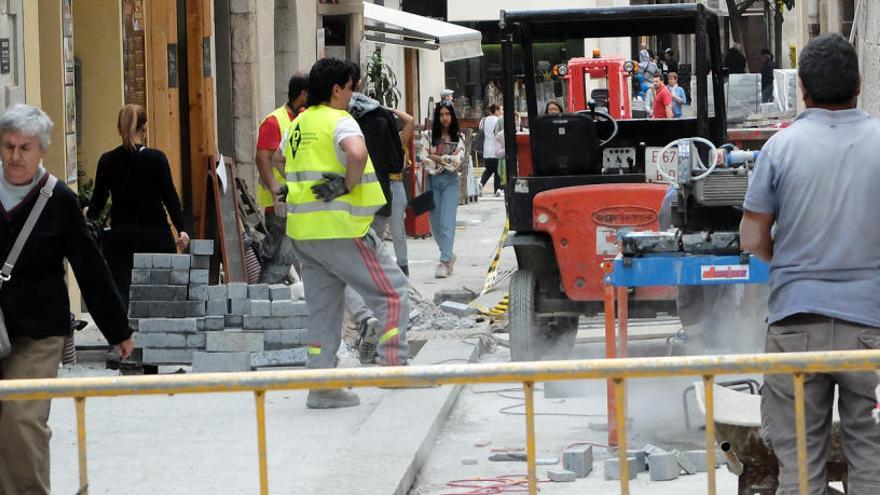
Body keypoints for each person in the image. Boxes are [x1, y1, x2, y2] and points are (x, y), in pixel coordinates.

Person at [740, 34, 880, 494]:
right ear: (859, 83)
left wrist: (793, 264)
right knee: (873, 461)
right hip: (871, 334)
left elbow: (752, 238)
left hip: (795, 327)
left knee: (800, 468)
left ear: (802, 88)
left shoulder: (780, 149)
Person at [0, 104, 133, 494]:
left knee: (21, 416)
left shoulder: (57, 198)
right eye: (8, 146)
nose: (15, 156)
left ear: (42, 151)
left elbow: (89, 265)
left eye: (25, 147)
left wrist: (117, 329)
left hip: (38, 331)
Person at [284, 58, 409, 409]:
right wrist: (345, 184)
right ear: (337, 89)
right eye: (350, 86)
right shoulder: (339, 120)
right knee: (393, 292)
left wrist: (299, 186)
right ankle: (395, 368)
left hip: (304, 235)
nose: (353, 93)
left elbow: (280, 161)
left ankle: (321, 386)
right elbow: (357, 151)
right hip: (341, 230)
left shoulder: (297, 124)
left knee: (322, 311)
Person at [87, 104, 189, 306]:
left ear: (119, 128)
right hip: (156, 237)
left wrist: (87, 212)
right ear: (145, 129)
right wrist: (182, 229)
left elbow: (98, 203)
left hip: (121, 239)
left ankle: (127, 337)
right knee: (162, 300)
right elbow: (170, 197)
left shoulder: (107, 161)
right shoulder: (156, 159)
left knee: (125, 299)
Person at [343, 82, 414, 365]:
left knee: (346, 272)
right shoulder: (379, 116)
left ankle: (365, 321)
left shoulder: (333, 117)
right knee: (379, 273)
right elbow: (397, 163)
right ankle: (389, 347)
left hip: (343, 208)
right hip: (378, 200)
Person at [255, 73, 308, 284]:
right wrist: (276, 192)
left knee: (286, 257)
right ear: (303, 94)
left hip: (296, 201)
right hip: (280, 204)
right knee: (280, 258)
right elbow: (262, 159)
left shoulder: (302, 118)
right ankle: (262, 300)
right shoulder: (274, 121)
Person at [419, 101, 466, 278]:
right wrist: (444, 159)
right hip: (431, 182)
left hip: (450, 183)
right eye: (441, 114)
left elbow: (456, 163)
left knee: (447, 222)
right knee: (436, 225)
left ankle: (444, 261)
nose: (444, 118)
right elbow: (424, 159)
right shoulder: (427, 135)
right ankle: (449, 254)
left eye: (447, 114)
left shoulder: (459, 137)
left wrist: (435, 156)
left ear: (452, 117)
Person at [479, 104, 502, 197]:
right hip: (496, 149)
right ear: (495, 111)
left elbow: (481, 129)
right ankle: (497, 189)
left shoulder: (484, 120)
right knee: (497, 170)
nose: (501, 112)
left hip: (486, 149)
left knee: (489, 169)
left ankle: (481, 183)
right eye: (500, 110)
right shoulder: (498, 120)